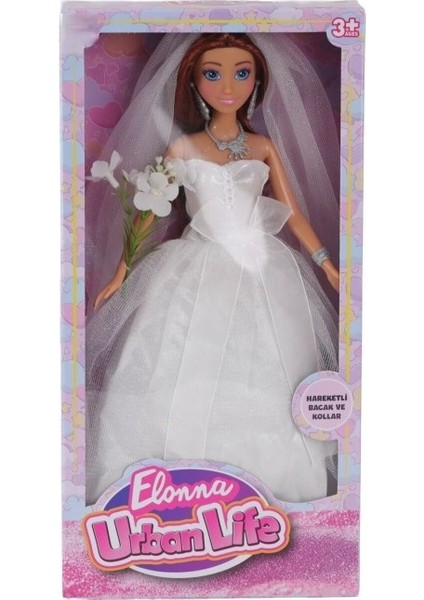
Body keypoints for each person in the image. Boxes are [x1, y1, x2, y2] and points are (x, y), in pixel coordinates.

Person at [85, 33, 340, 505]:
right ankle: (168, 485)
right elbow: (149, 211)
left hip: (263, 266)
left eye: (242, 73)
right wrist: (123, 270)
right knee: (178, 362)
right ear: (193, 81)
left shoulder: (263, 147)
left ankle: (277, 488)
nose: (228, 86)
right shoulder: (184, 148)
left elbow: (293, 213)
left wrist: (325, 262)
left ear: (257, 81)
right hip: (194, 264)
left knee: (271, 370)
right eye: (212, 73)